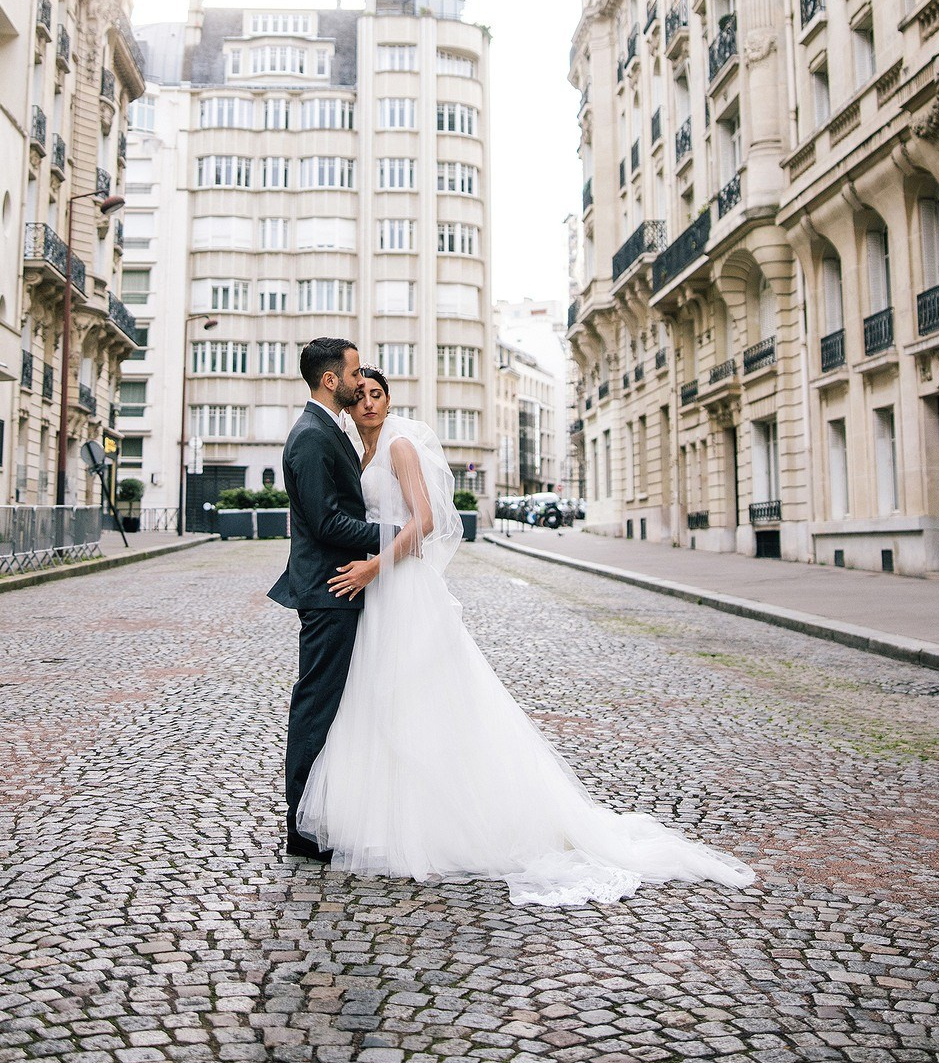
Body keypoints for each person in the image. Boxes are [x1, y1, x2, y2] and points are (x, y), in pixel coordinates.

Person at [296, 368, 756, 907]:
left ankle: (441, 823)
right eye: (363, 395)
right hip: (382, 594)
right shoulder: (361, 451)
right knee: (381, 700)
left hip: (400, 587)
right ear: (348, 404)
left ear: (389, 399)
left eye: (379, 394)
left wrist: (374, 567)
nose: (370, 403)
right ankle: (384, 817)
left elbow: (422, 523)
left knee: (423, 696)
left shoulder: (399, 446)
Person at [268, 337, 381, 861]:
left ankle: (324, 814)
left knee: (336, 707)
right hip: (331, 589)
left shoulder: (327, 428)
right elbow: (326, 522)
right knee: (315, 706)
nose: (363, 382)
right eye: (356, 373)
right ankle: (301, 829)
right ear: (331, 380)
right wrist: (394, 536)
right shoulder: (310, 437)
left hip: (341, 587)